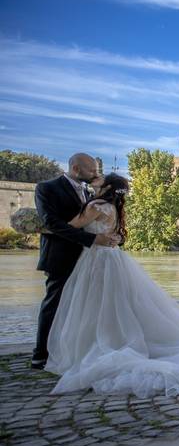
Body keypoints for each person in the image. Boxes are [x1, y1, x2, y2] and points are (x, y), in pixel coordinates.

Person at [44, 172, 179, 397]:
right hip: (114, 258)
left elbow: (72, 226)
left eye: (100, 179)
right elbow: (116, 235)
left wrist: (42, 226)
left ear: (108, 187)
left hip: (97, 260)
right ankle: (118, 339)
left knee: (97, 306)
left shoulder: (97, 206)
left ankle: (101, 345)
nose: (95, 179)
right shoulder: (116, 208)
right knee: (117, 304)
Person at [31, 153, 120, 370]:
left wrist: (115, 237)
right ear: (76, 168)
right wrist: (93, 239)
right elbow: (52, 223)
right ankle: (41, 354)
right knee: (54, 303)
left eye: (97, 171)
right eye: (92, 170)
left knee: (83, 307)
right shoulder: (47, 188)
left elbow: (103, 223)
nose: (96, 174)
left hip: (89, 259)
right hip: (61, 255)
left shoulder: (93, 194)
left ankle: (73, 351)